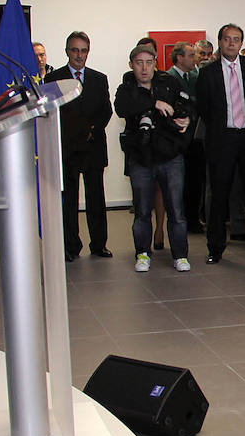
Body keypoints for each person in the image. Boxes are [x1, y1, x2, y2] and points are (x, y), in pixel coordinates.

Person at [194, 23, 245, 263]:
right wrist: (221, 129)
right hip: (222, 138)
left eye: (236, 39)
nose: (231, 43)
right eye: (227, 39)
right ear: (220, 42)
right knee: (219, 195)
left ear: (241, 44)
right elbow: (204, 108)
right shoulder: (208, 72)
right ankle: (215, 248)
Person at [114, 45, 194, 272]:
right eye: (139, 63)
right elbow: (121, 108)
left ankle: (180, 255)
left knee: (177, 211)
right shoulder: (126, 88)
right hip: (141, 158)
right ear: (131, 65)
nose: (144, 68)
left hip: (170, 156)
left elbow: (188, 105)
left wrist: (186, 119)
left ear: (155, 63)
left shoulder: (168, 82)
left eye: (149, 62)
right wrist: (153, 103)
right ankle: (142, 253)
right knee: (142, 211)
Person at [47, 31, 113, 260]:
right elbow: (52, 113)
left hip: (93, 146)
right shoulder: (54, 78)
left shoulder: (98, 78)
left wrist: (91, 130)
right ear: (67, 51)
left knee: (96, 197)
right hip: (67, 148)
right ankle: (70, 246)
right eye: (75, 50)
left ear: (88, 52)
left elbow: (106, 110)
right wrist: (76, 132)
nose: (79, 55)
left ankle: (99, 245)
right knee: (70, 200)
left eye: (83, 50)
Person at [165, 40, 206, 235]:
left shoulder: (196, 76)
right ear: (179, 58)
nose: (195, 58)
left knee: (195, 181)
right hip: (178, 138)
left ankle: (193, 218)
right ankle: (181, 218)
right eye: (191, 55)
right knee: (179, 183)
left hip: (196, 136)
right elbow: (181, 103)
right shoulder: (169, 78)